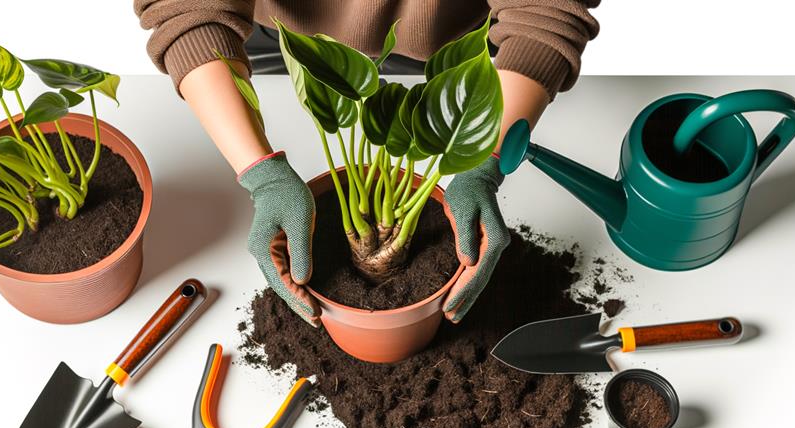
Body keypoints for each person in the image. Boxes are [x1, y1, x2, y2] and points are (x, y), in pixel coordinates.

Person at [134, 1, 600, 325]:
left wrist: (483, 161)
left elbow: (546, 12)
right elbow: (187, 10)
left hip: (463, 59)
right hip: (274, 43)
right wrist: (262, 174)